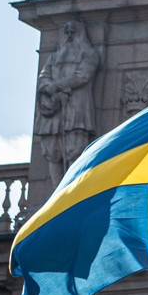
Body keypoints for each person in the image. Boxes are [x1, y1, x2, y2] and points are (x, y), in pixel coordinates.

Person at [34, 21, 100, 184]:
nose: (69, 36)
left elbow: (82, 75)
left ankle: (71, 189)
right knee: (51, 150)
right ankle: (57, 192)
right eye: (67, 32)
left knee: (74, 148)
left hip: (76, 108)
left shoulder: (89, 54)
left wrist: (56, 86)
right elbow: (43, 76)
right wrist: (48, 88)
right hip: (53, 109)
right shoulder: (54, 57)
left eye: (73, 32)